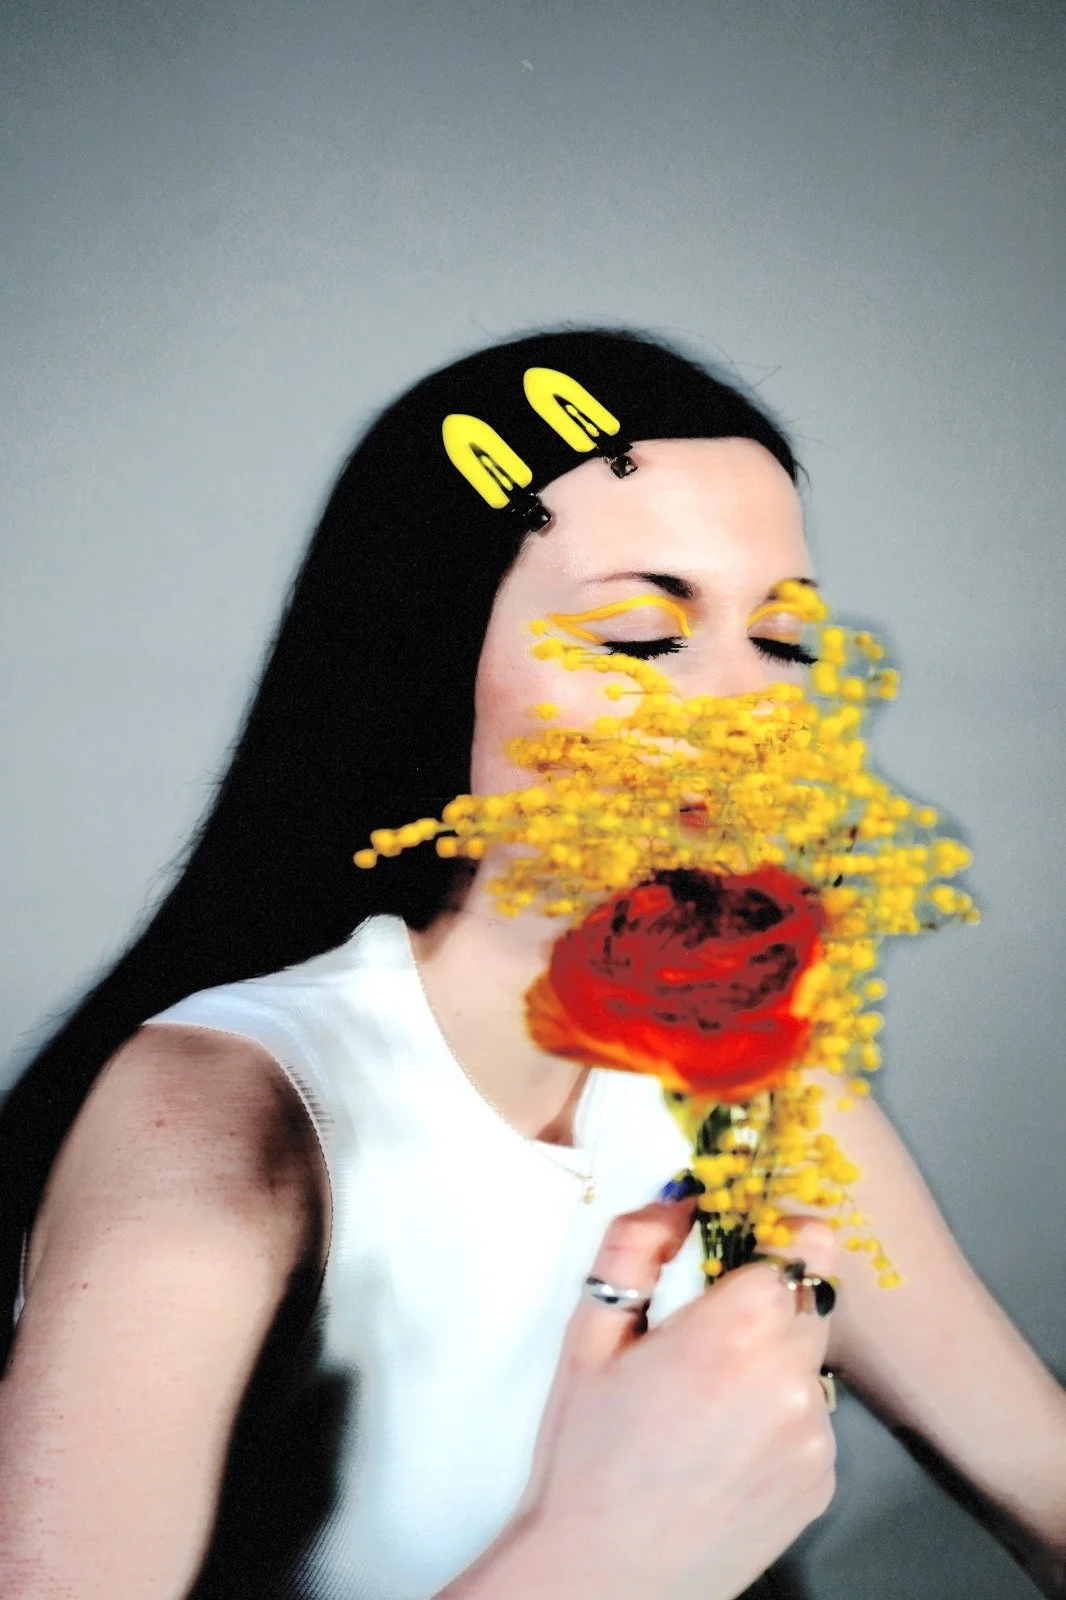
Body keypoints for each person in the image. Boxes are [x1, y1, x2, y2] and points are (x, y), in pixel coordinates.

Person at [0, 329, 1062, 1600]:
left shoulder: (761, 1099)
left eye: (785, 643)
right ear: (429, 660)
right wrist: (595, 1556)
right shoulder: (222, 1115)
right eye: (640, 637)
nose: (747, 712)